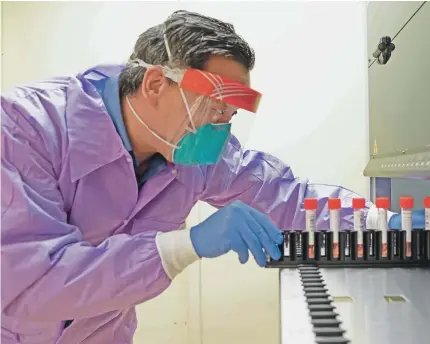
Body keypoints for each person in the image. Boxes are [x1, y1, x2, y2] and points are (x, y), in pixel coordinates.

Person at [1, 10, 424, 344]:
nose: (222, 129)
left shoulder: (193, 149)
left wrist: (378, 221)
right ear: (154, 84)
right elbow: (31, 282)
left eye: (231, 116)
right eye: (215, 109)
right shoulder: (22, 128)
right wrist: (182, 247)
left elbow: (286, 197)